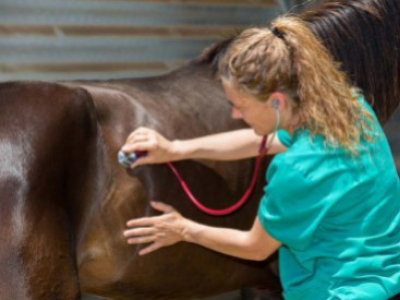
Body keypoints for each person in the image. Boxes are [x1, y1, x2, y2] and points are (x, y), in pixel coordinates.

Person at [121, 16, 400, 300]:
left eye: (239, 106)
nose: (235, 116)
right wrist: (176, 149)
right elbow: (262, 142)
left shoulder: (297, 169)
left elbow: (255, 247)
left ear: (277, 101)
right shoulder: (351, 108)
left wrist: (182, 229)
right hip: (386, 282)